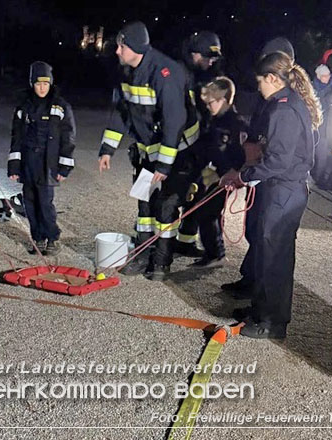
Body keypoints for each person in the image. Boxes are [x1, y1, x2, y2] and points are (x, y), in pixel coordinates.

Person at [220, 52, 321, 339]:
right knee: (267, 254)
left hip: (284, 191)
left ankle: (270, 322)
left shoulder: (284, 110)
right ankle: (260, 310)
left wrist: (243, 177)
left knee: (274, 257)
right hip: (282, 189)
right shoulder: (287, 104)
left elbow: (279, 161)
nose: (259, 89)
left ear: (273, 79)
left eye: (261, 82)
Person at [98, 21, 199, 280]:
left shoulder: (166, 73)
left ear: (135, 48)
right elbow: (122, 112)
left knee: (165, 208)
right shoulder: (126, 72)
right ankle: (143, 255)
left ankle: (161, 263)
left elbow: (174, 122)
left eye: (122, 47)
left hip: (176, 153)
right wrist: (108, 148)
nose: (117, 51)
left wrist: (164, 166)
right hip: (147, 151)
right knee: (144, 205)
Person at [222, 37, 295, 299]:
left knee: (266, 235)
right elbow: (258, 125)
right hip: (260, 168)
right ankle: (250, 278)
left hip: (274, 177)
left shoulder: (289, 104)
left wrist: (246, 173)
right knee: (254, 226)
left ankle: (259, 290)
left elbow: (283, 150)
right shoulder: (271, 99)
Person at [8, 61, 75, 256]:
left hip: (49, 164)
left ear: (51, 84)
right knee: (29, 202)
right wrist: (14, 166)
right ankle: (37, 238)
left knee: (45, 203)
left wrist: (64, 167)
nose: (42, 88)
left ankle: (52, 237)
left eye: (46, 84)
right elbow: (16, 137)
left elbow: (68, 138)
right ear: (32, 84)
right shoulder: (23, 107)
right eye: (38, 84)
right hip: (29, 162)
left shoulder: (60, 107)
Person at [180, 77, 246, 269]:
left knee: (208, 213)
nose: (208, 106)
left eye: (211, 102)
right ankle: (214, 252)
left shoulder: (235, 124)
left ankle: (216, 254)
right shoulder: (215, 119)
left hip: (225, 177)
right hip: (211, 174)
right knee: (207, 212)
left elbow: (239, 155)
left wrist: (227, 175)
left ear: (224, 99)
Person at [176, 30, 222, 256]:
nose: (210, 62)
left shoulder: (208, 75)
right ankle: (160, 242)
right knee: (172, 195)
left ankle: (185, 240)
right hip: (180, 148)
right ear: (194, 53)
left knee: (197, 194)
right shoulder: (179, 73)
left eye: (213, 59)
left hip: (201, 146)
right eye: (207, 57)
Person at [311, 64, 332, 187]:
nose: (328, 78)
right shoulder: (312, 89)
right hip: (315, 125)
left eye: (329, 75)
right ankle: (314, 176)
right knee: (315, 151)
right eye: (325, 76)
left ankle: (319, 177)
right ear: (319, 77)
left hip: (326, 125)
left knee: (323, 153)